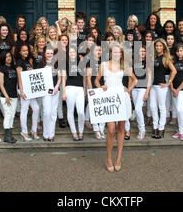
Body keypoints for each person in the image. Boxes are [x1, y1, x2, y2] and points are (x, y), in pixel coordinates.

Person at [95, 43, 133, 172]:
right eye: (115, 52)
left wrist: (128, 89)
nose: (117, 54)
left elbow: (135, 80)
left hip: (121, 98)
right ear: (111, 53)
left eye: (119, 52)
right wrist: (101, 87)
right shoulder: (103, 65)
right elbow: (96, 80)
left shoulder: (124, 66)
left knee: (121, 128)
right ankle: (109, 158)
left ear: (122, 54)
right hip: (109, 99)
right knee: (111, 130)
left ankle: (118, 158)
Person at [149, 39, 176, 139]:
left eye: (160, 46)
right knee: (152, 106)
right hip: (153, 85)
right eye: (157, 46)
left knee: (162, 107)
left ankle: (161, 128)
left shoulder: (166, 58)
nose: (158, 47)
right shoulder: (153, 57)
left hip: (161, 86)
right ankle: (155, 126)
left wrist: (168, 83)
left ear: (163, 47)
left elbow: (174, 71)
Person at [16, 44, 40, 141]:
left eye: (27, 50)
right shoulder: (19, 62)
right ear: (20, 52)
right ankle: (24, 132)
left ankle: (33, 130)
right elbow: (19, 77)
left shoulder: (27, 62)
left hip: (30, 89)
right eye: (23, 50)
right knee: (24, 110)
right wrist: (21, 91)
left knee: (36, 108)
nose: (26, 52)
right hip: (24, 89)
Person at [62, 46, 86, 141]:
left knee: (81, 112)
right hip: (69, 88)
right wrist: (63, 92)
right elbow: (64, 78)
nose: (72, 54)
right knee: (70, 111)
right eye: (70, 52)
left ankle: (81, 131)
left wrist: (84, 88)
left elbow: (84, 76)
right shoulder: (65, 64)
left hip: (80, 88)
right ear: (68, 54)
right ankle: (74, 132)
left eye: (74, 52)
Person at [41, 44, 62, 142]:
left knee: (53, 112)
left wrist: (57, 86)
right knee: (46, 112)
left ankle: (51, 135)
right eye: (47, 53)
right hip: (45, 91)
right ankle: (45, 134)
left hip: (55, 90)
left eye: (51, 53)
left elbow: (60, 77)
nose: (49, 55)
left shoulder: (56, 63)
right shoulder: (41, 63)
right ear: (44, 54)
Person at [131, 45, 152, 140]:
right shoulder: (134, 63)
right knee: (137, 109)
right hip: (134, 88)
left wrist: (147, 92)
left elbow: (149, 79)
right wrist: (129, 90)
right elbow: (130, 77)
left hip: (143, 88)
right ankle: (141, 128)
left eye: (144, 51)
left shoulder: (148, 63)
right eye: (140, 51)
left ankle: (142, 130)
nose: (142, 53)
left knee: (138, 109)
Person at [0, 51, 18, 144]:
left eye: (9, 56)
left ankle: (10, 135)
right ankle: (7, 136)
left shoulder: (14, 67)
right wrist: (6, 96)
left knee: (12, 115)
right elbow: (1, 84)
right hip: (5, 96)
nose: (8, 58)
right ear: (3, 58)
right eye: (6, 57)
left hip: (14, 95)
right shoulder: (2, 69)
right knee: (8, 115)